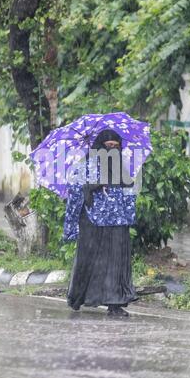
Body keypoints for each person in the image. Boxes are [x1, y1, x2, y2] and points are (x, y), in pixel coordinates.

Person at [63, 129, 139, 317]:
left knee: (116, 262)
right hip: (92, 220)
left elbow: (130, 193)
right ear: (99, 146)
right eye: (108, 146)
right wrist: (95, 185)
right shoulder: (87, 165)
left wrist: (129, 216)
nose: (112, 150)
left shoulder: (122, 167)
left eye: (116, 146)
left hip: (117, 221)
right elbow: (75, 190)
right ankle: (78, 297)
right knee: (89, 260)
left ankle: (115, 304)